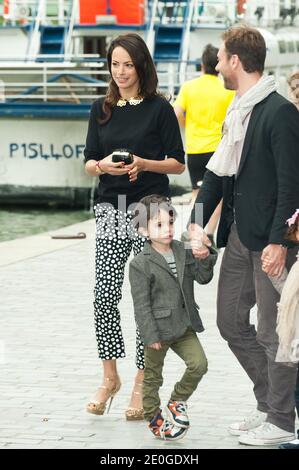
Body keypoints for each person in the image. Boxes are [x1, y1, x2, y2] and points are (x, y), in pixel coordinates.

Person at [188, 26, 299, 446]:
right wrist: (197, 224)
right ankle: (267, 404)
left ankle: (282, 421)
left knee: (275, 334)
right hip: (238, 237)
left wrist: (280, 242)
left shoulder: (279, 112)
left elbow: (292, 186)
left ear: (236, 61)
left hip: (271, 242)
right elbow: (217, 175)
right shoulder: (238, 111)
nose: (216, 64)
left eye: (220, 57)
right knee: (231, 323)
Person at [83, 33, 185, 420]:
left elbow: (177, 163)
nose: (121, 72)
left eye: (128, 64)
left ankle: (144, 381)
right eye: (114, 64)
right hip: (110, 208)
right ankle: (110, 378)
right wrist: (102, 166)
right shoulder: (100, 108)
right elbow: (89, 160)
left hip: (149, 210)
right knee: (104, 296)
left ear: (141, 66)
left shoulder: (160, 109)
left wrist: (144, 163)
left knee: (147, 299)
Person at [129, 194, 217, 440]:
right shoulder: (140, 264)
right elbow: (141, 304)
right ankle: (153, 417)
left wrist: (205, 255)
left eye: (170, 223)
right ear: (145, 230)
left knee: (199, 364)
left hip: (184, 324)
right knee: (153, 376)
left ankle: (177, 400)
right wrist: (150, 335)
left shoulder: (182, 248)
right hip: (157, 329)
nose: (167, 229)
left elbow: (202, 277)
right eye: (159, 225)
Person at [174, 44, 234, 240]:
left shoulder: (189, 87)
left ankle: (192, 231)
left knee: (197, 193)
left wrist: (187, 125)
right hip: (218, 149)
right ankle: (208, 232)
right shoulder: (226, 89)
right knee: (217, 195)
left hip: (194, 149)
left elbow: (176, 113)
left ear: (201, 65)